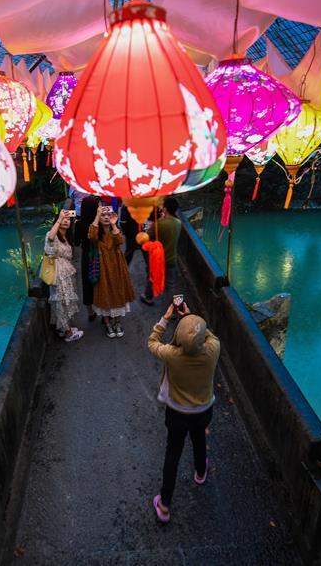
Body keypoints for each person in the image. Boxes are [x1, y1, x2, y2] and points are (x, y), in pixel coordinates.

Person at [147, 301, 220, 523]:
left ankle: (165, 504)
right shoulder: (212, 351)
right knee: (199, 440)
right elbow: (209, 335)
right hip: (203, 410)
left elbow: (152, 342)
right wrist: (192, 319)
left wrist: (166, 318)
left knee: (173, 453)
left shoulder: (172, 354)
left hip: (177, 413)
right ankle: (200, 473)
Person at [89, 205, 136, 338]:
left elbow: (120, 241)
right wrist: (97, 216)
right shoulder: (96, 231)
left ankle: (118, 322)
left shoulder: (115, 229)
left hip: (117, 267)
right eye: (103, 215)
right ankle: (108, 324)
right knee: (105, 293)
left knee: (118, 291)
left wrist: (114, 225)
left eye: (108, 215)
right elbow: (91, 236)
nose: (105, 217)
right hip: (102, 267)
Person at [45, 210, 83, 342]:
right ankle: (67, 333)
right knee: (61, 302)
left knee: (65, 301)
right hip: (58, 274)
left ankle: (64, 328)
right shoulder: (53, 234)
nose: (66, 221)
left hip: (65, 273)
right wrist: (59, 219)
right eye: (63, 219)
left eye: (68, 219)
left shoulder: (65, 237)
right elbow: (50, 238)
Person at [140, 196, 182, 305]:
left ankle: (148, 296)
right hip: (172, 258)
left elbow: (146, 237)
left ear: (165, 208)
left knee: (153, 277)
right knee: (171, 285)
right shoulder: (178, 223)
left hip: (159, 258)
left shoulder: (159, 224)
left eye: (163, 206)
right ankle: (173, 309)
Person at [74, 195, 100, 322]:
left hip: (86, 256)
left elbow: (76, 243)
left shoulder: (79, 224)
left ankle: (90, 312)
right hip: (99, 255)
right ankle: (103, 310)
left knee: (87, 284)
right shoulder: (99, 223)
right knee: (101, 282)